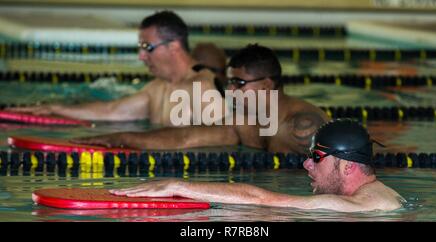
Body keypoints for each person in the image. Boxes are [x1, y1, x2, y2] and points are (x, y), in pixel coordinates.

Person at [72, 44, 329, 154]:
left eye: (239, 84)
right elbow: (185, 137)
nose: (230, 91)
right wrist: (116, 139)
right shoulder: (244, 120)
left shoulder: (303, 127)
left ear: (267, 84)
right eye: (229, 83)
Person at [110, 119, 405, 212]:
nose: (306, 163)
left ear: (347, 167)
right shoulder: (385, 198)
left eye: (316, 158)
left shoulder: (349, 207)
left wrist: (178, 185)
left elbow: (261, 200)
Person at [8, 11, 221, 126]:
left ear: (173, 46)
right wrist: (55, 109)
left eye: (147, 48)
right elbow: (112, 110)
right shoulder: (158, 87)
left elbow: (225, 138)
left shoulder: (201, 87)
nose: (141, 56)